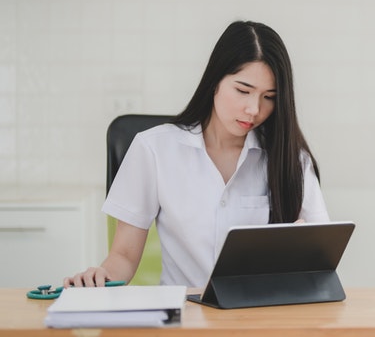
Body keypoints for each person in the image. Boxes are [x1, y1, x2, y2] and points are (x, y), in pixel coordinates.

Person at [64, 21, 329, 288]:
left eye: (269, 97)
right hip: (183, 316)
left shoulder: (291, 159)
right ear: (215, 81)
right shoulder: (154, 149)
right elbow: (123, 256)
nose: (254, 109)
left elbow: (322, 255)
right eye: (243, 90)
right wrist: (98, 278)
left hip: (260, 317)